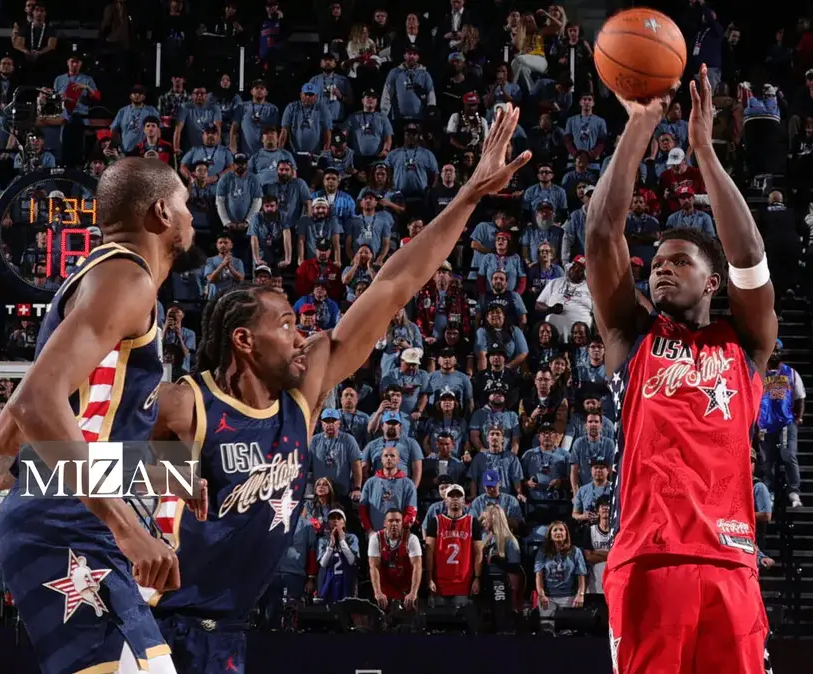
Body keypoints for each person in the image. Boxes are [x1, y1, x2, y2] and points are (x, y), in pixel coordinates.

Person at [136, 105, 532, 674]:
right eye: (285, 325)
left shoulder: (303, 393)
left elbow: (394, 285)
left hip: (225, 630)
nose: (302, 336)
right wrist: (163, 472)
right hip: (153, 623)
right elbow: (52, 466)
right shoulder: (185, 402)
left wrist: (469, 195)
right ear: (243, 341)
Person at [0, 158, 207, 673]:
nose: (191, 216)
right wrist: (127, 528)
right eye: (184, 203)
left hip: (59, 516)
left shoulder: (102, 279)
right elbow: (33, 404)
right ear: (162, 212)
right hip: (68, 523)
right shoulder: (127, 278)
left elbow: (13, 427)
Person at [585, 66, 778, 674]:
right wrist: (641, 125)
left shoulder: (746, 344)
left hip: (732, 563)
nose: (661, 268)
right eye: (656, 263)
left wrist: (704, 153)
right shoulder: (631, 336)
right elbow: (601, 233)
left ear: (713, 282)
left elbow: (750, 257)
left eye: (679, 261)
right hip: (648, 559)